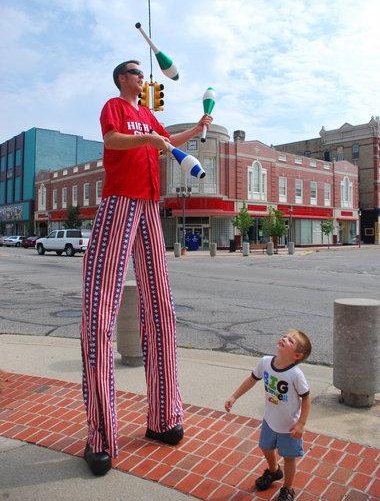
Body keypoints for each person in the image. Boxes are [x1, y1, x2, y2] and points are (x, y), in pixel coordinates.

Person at [81, 60, 212, 476]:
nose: (143, 77)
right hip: (119, 200)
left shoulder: (147, 114)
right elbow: (114, 141)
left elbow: (165, 142)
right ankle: (100, 437)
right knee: (101, 315)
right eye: (137, 73)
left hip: (150, 207)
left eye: (142, 73)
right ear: (123, 79)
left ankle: (164, 418)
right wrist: (149, 140)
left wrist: (195, 129)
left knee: (162, 311)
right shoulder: (115, 107)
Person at [225, 330, 312, 501]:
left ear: (296, 355)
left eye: (290, 341)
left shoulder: (295, 374)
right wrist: (234, 396)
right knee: (265, 447)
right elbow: (252, 379)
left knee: (289, 458)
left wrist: (301, 423)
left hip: (289, 427)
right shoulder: (265, 362)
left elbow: (306, 398)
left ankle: (287, 489)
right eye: (285, 336)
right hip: (270, 420)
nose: (284, 339)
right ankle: (274, 471)